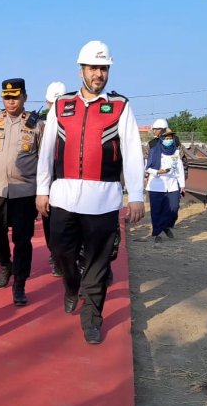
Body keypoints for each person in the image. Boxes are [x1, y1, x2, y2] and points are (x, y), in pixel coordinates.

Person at [36, 40, 145, 344]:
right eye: (94, 68)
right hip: (63, 198)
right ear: (81, 70)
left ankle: (92, 317)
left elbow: (133, 152)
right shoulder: (61, 105)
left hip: (104, 200)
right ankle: (72, 287)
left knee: (98, 263)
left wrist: (136, 194)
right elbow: (47, 151)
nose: (99, 74)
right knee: (61, 253)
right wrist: (42, 189)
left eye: (104, 68)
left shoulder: (120, 106)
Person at [0, 78, 44, 306]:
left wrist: (44, 190)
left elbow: (43, 160)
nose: (11, 101)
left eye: (15, 97)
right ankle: (5, 265)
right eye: (6, 97)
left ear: (25, 97)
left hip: (25, 192)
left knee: (23, 240)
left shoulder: (36, 126)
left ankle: (20, 283)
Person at [43, 81, 67, 277]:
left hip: (67, 181)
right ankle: (56, 256)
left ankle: (63, 257)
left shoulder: (73, 120)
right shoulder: (38, 123)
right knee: (50, 222)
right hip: (48, 181)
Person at [145, 127, 186, 244]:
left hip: (172, 185)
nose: (169, 140)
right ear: (161, 139)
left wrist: (182, 185)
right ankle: (156, 234)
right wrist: (158, 171)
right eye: (166, 138)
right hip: (156, 185)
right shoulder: (154, 151)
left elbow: (179, 169)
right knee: (156, 210)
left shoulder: (176, 152)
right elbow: (147, 168)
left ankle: (165, 226)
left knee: (174, 208)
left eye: (171, 138)